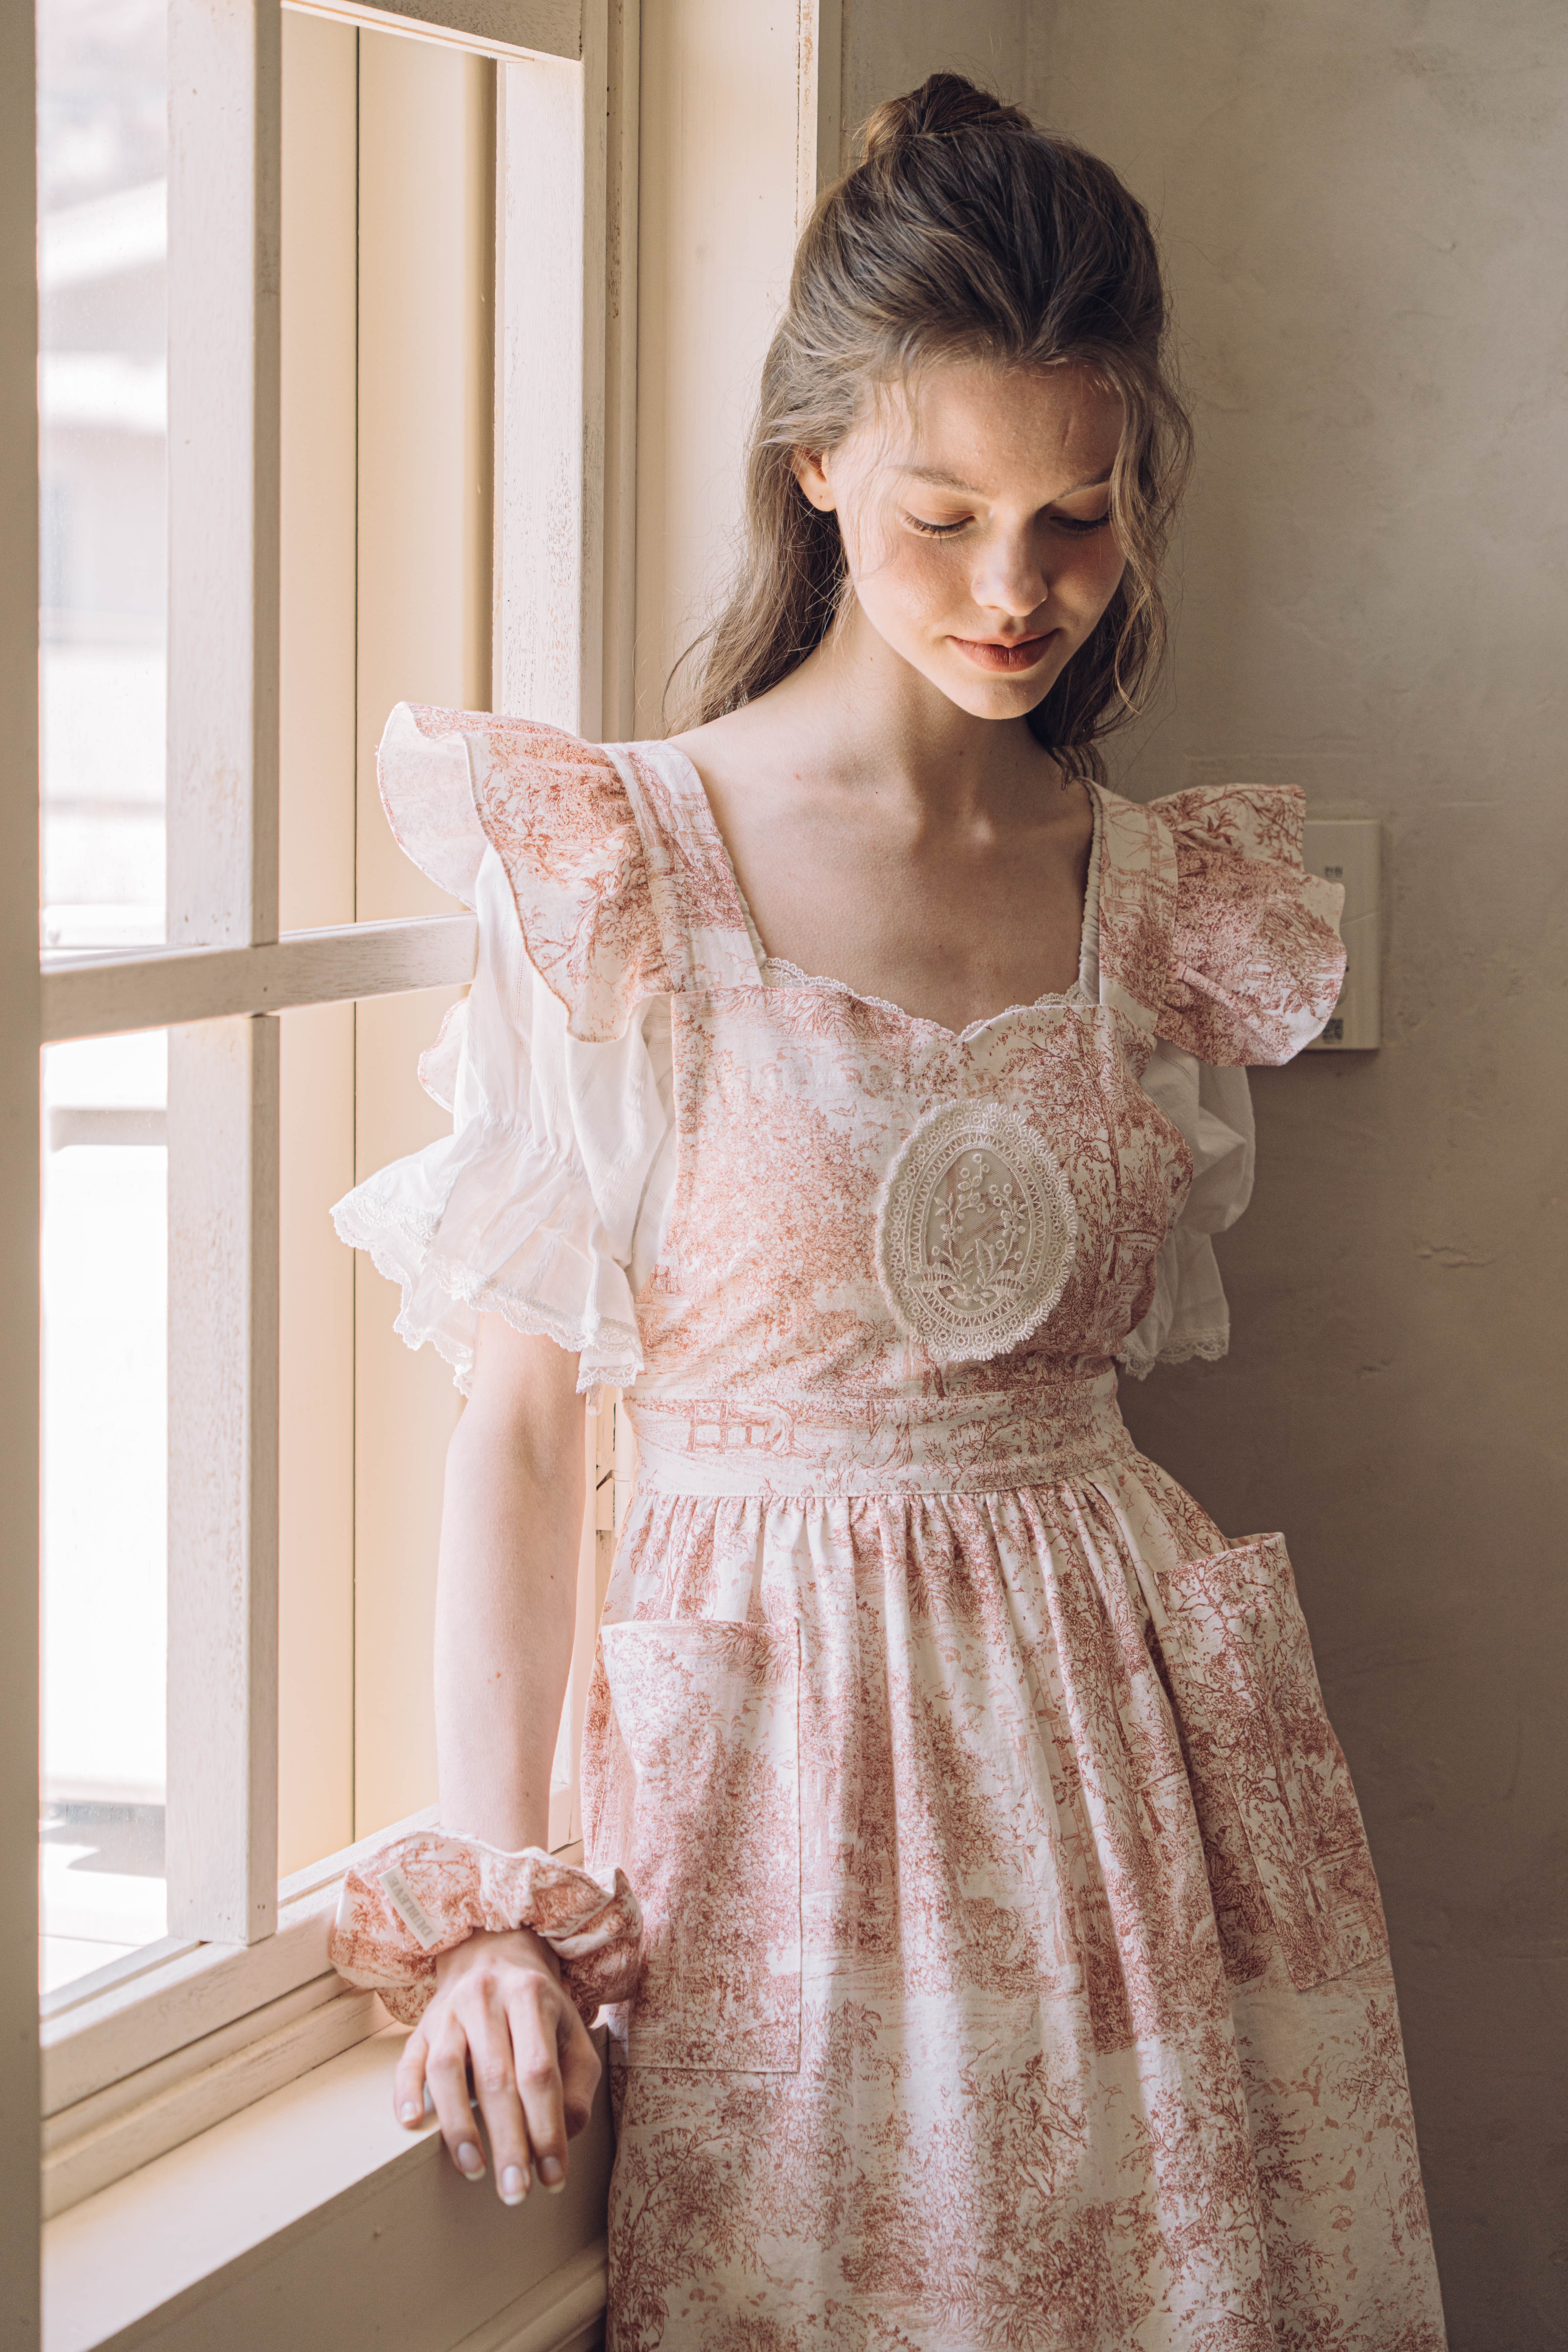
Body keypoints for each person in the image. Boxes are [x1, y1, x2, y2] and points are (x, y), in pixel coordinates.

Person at [329, 74, 1447, 2350]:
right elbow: (523, 1431)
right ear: (818, 465)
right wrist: (496, 1914)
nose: (1017, 593)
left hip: (1138, 1782)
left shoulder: (1160, 896)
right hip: (782, 1795)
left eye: (1078, 520)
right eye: (945, 517)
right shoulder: (622, 869)